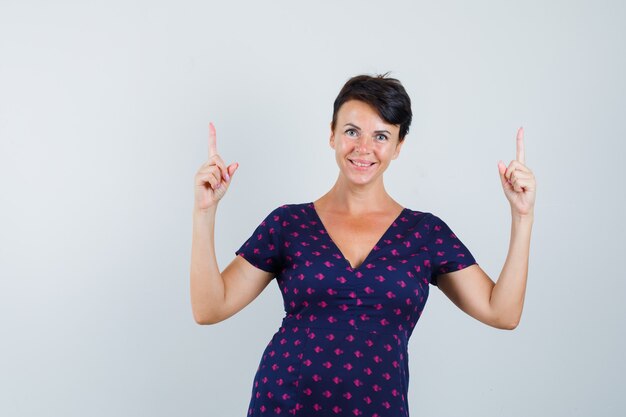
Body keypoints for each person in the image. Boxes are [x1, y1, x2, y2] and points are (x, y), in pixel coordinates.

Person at [190, 74, 536, 416]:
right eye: (352, 131)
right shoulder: (288, 223)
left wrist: (522, 217)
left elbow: (501, 313)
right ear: (332, 134)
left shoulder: (424, 233)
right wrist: (205, 212)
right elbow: (210, 308)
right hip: (285, 404)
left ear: (399, 146)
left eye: (381, 136)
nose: (363, 148)